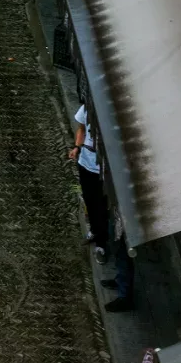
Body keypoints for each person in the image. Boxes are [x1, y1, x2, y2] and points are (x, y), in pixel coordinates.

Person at [70, 104, 109, 260]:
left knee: (102, 205)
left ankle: (101, 243)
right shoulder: (86, 108)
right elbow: (81, 129)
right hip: (86, 163)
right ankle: (94, 230)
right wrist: (77, 147)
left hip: (104, 169)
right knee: (89, 198)